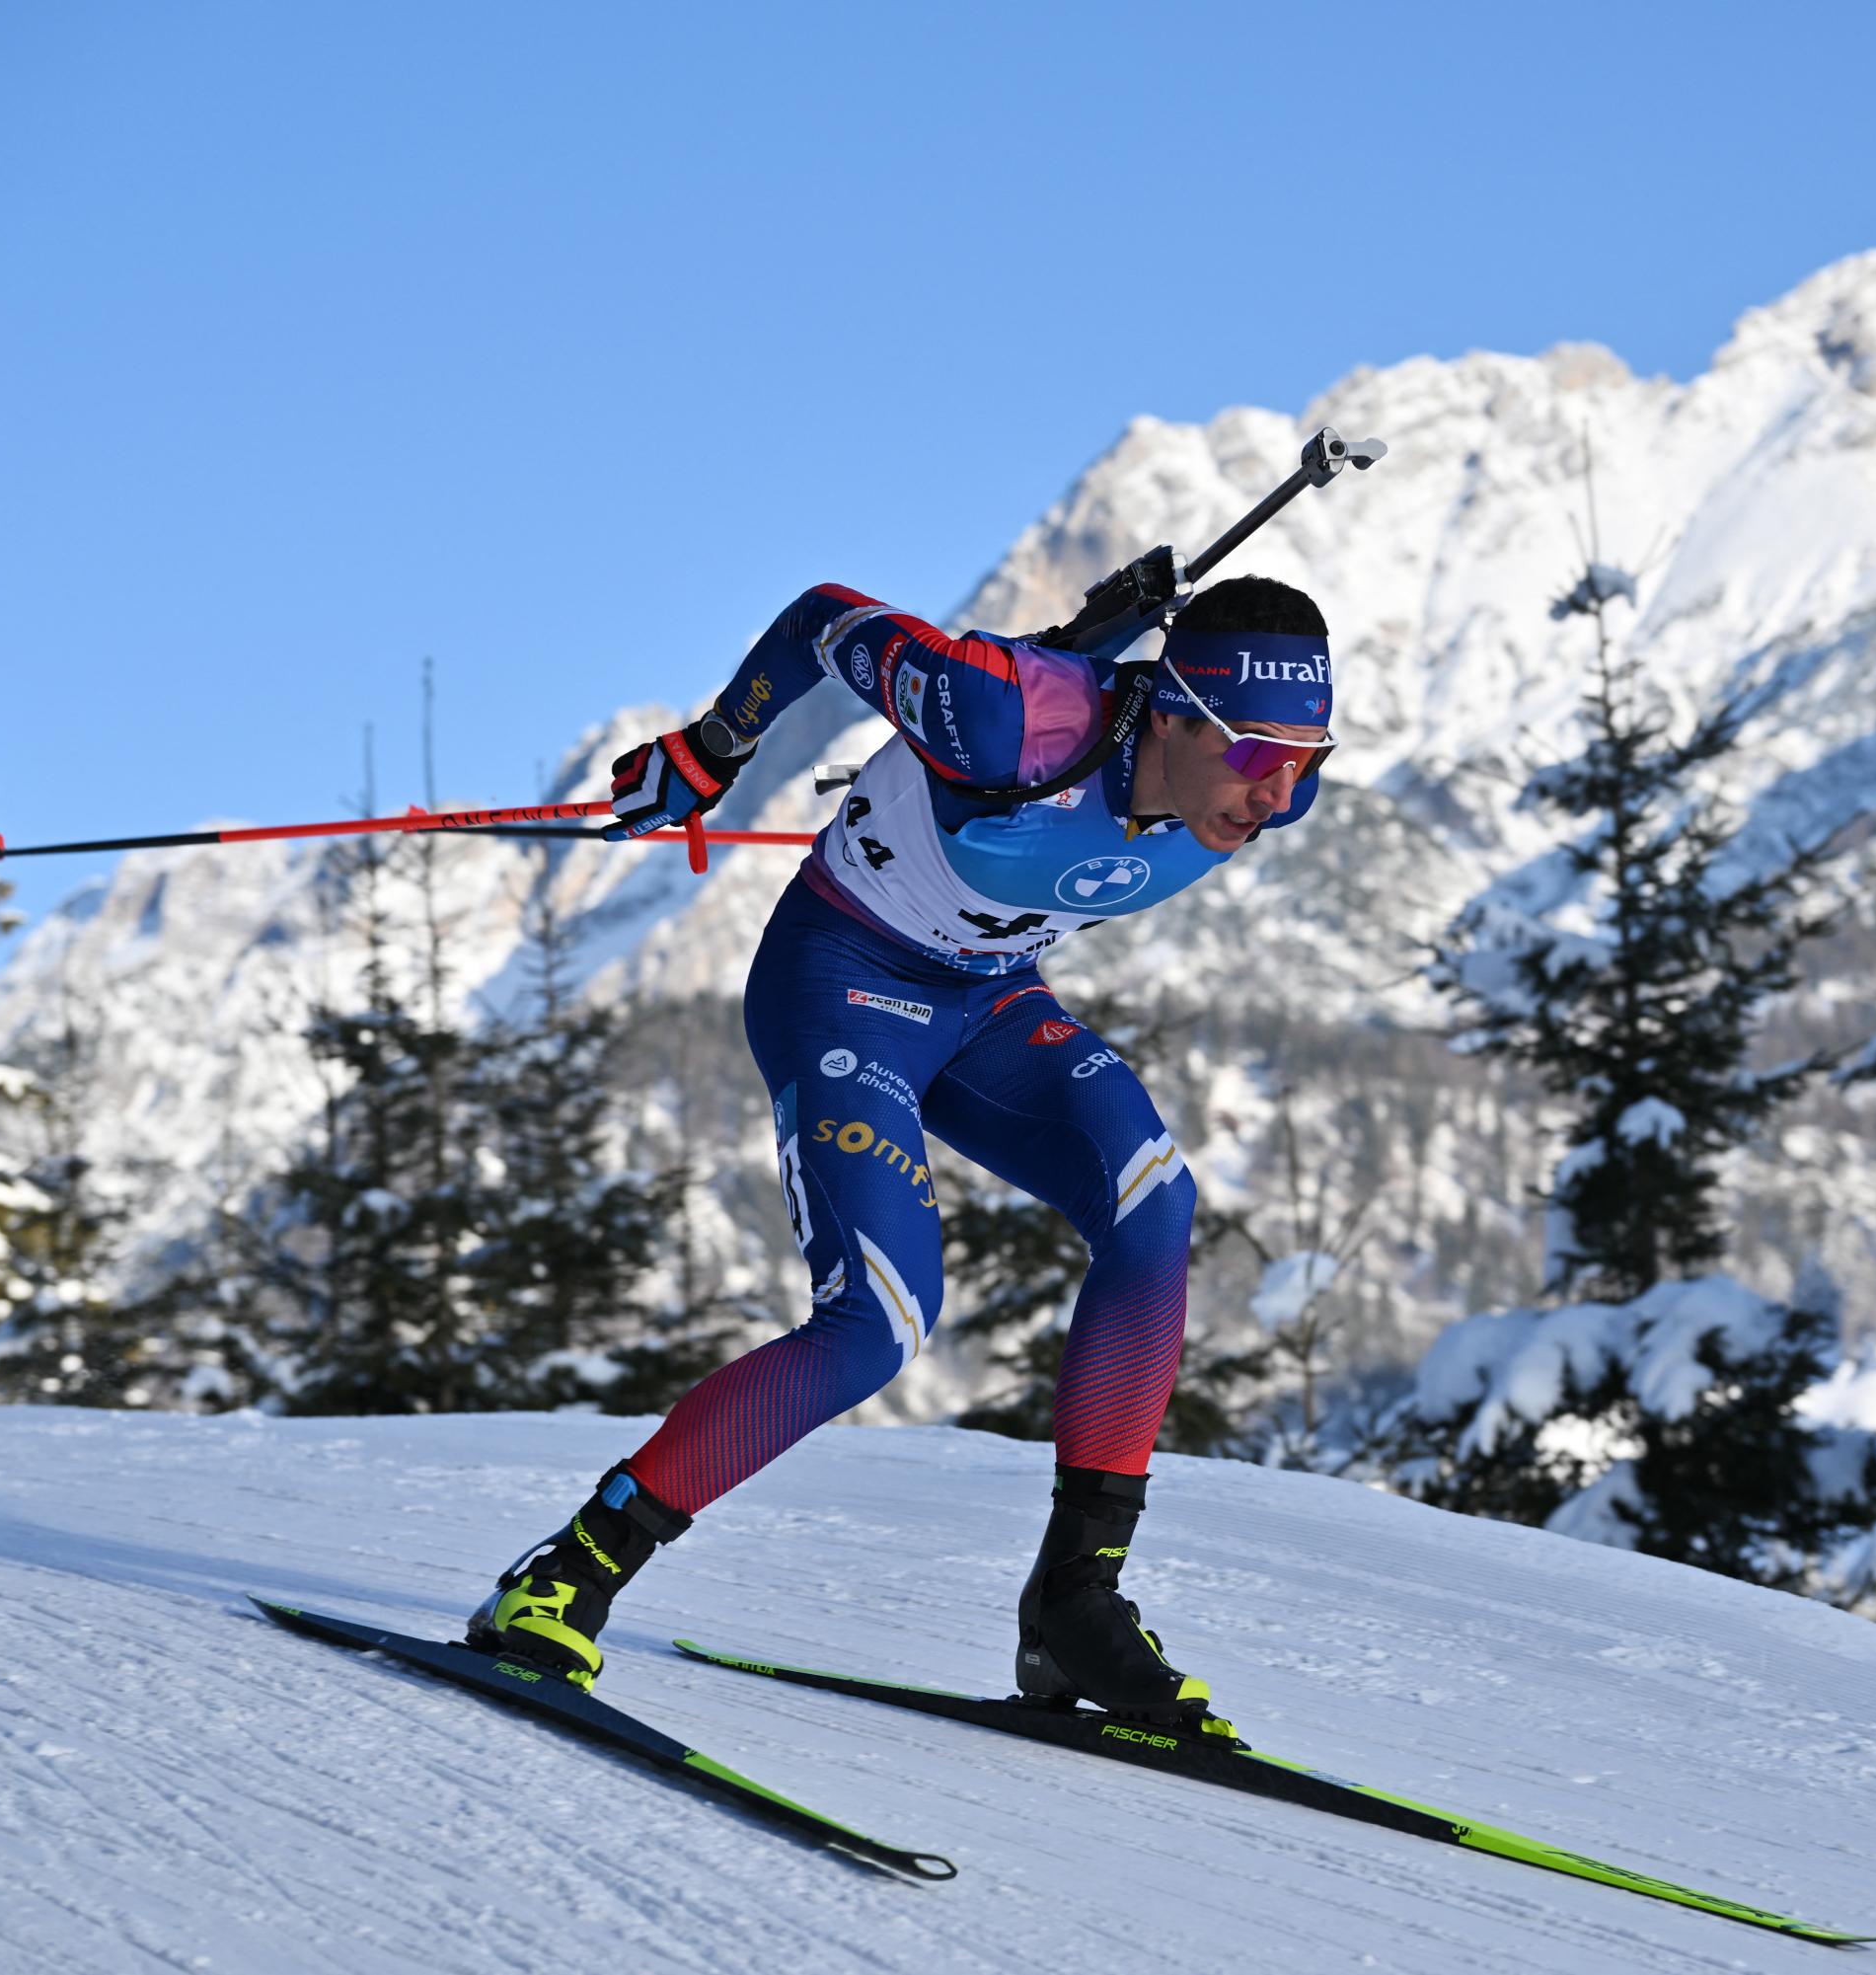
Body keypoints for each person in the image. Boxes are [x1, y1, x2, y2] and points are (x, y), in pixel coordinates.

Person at [469, 572, 1335, 1730]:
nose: (1276, 795)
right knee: (878, 1321)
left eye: (1309, 762)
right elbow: (825, 619)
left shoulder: (1244, 787)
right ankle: (572, 1568)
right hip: (843, 985)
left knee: (1154, 1207)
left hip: (988, 1005)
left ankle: (1075, 1603)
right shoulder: (1003, 716)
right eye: (1254, 756)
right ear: (1173, 711)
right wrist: (715, 747)